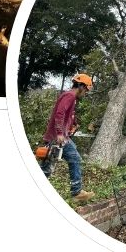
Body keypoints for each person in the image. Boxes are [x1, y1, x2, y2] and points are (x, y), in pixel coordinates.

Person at [41, 73, 94, 203]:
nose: (86, 93)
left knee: (47, 169)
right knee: (72, 159)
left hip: (60, 137)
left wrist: (73, 122)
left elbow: (65, 115)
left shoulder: (71, 97)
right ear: (81, 86)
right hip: (57, 137)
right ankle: (76, 192)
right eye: (86, 90)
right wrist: (59, 133)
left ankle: (76, 191)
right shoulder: (70, 96)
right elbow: (59, 113)